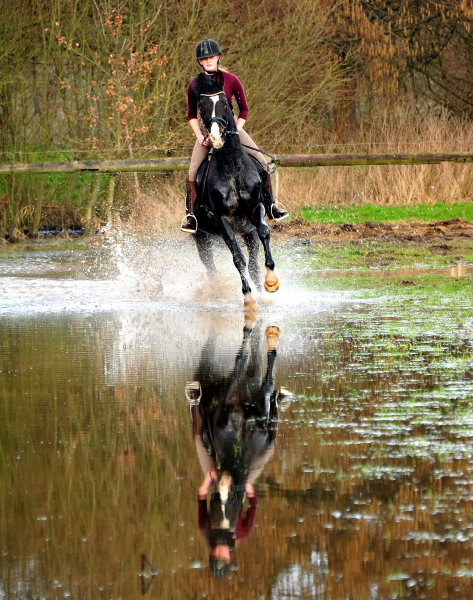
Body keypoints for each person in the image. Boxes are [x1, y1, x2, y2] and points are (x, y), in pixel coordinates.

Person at [182, 39, 288, 233]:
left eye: (211, 57)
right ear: (200, 62)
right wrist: (199, 137)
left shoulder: (231, 80)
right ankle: (191, 216)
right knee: (192, 173)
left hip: (232, 130)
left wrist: (236, 130)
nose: (208, 61)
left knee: (262, 162)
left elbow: (244, 109)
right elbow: (191, 114)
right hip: (207, 132)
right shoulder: (194, 85)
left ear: (218, 57)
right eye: (204, 59)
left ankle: (271, 205)